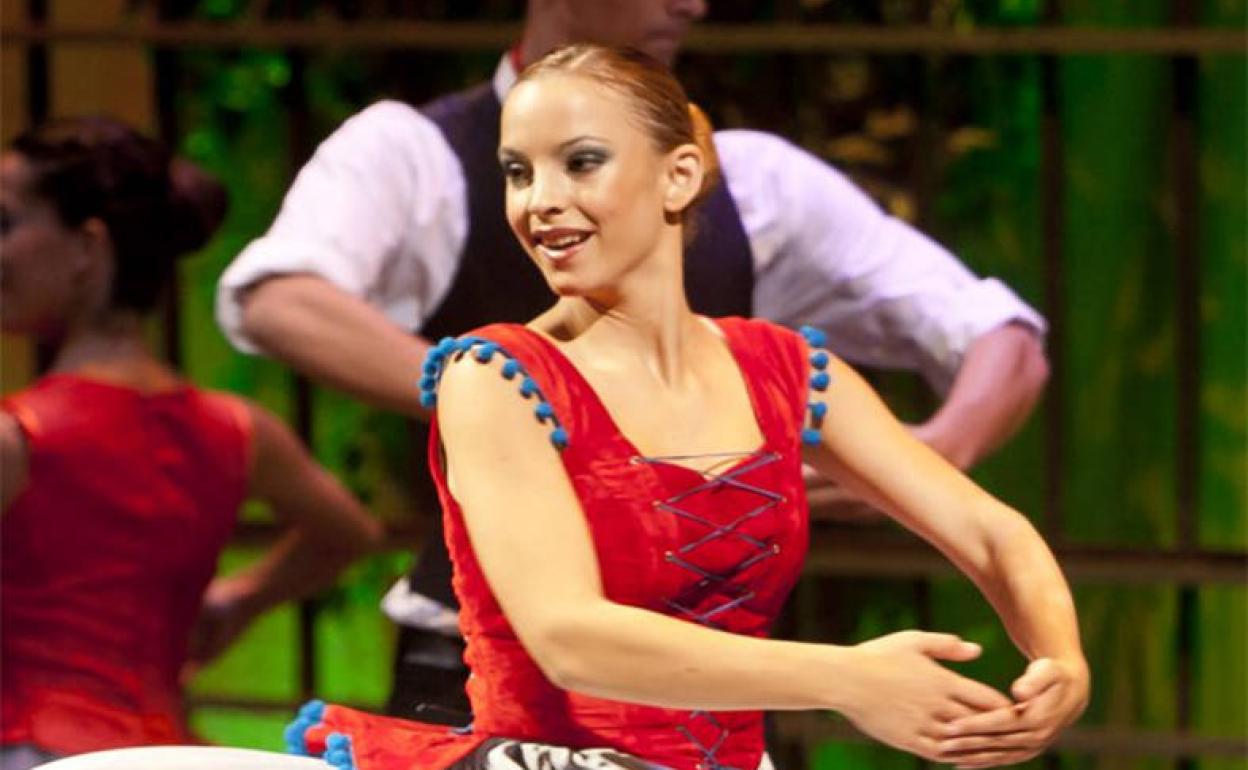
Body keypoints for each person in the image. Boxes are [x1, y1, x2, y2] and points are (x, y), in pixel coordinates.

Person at [215, 0, 1050, 720]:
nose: (691, 4)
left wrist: (939, 450)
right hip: (492, 698)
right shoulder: (420, 159)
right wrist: (526, 399)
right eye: (521, 173)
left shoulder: (761, 206)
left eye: (584, 164)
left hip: (725, 696)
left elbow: (996, 334)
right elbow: (280, 297)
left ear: (681, 179)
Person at [0, 117, 383, 769]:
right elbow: (350, 532)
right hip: (167, 750)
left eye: (6, 223)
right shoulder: (236, 430)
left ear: (88, 247)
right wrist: (240, 597)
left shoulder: (23, 434)